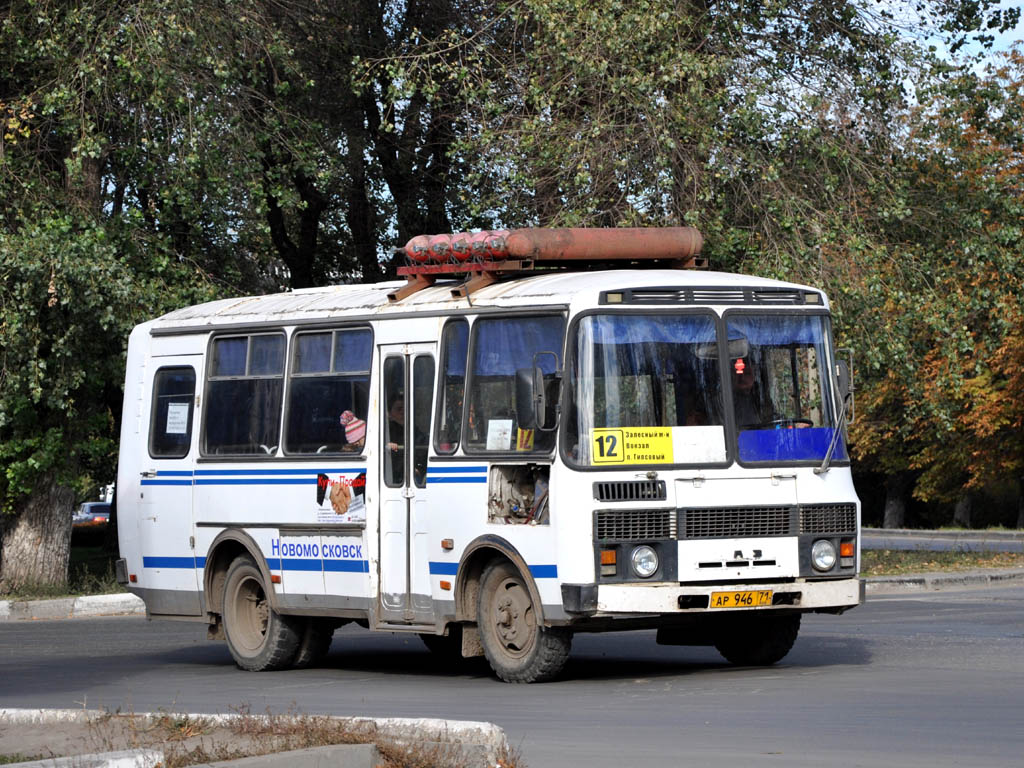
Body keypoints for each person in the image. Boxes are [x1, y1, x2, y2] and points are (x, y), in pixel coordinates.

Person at [732, 358, 775, 428]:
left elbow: (770, 419)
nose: (742, 378)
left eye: (747, 374)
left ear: (754, 375)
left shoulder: (761, 398)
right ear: (732, 375)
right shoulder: (722, 400)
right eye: (738, 373)